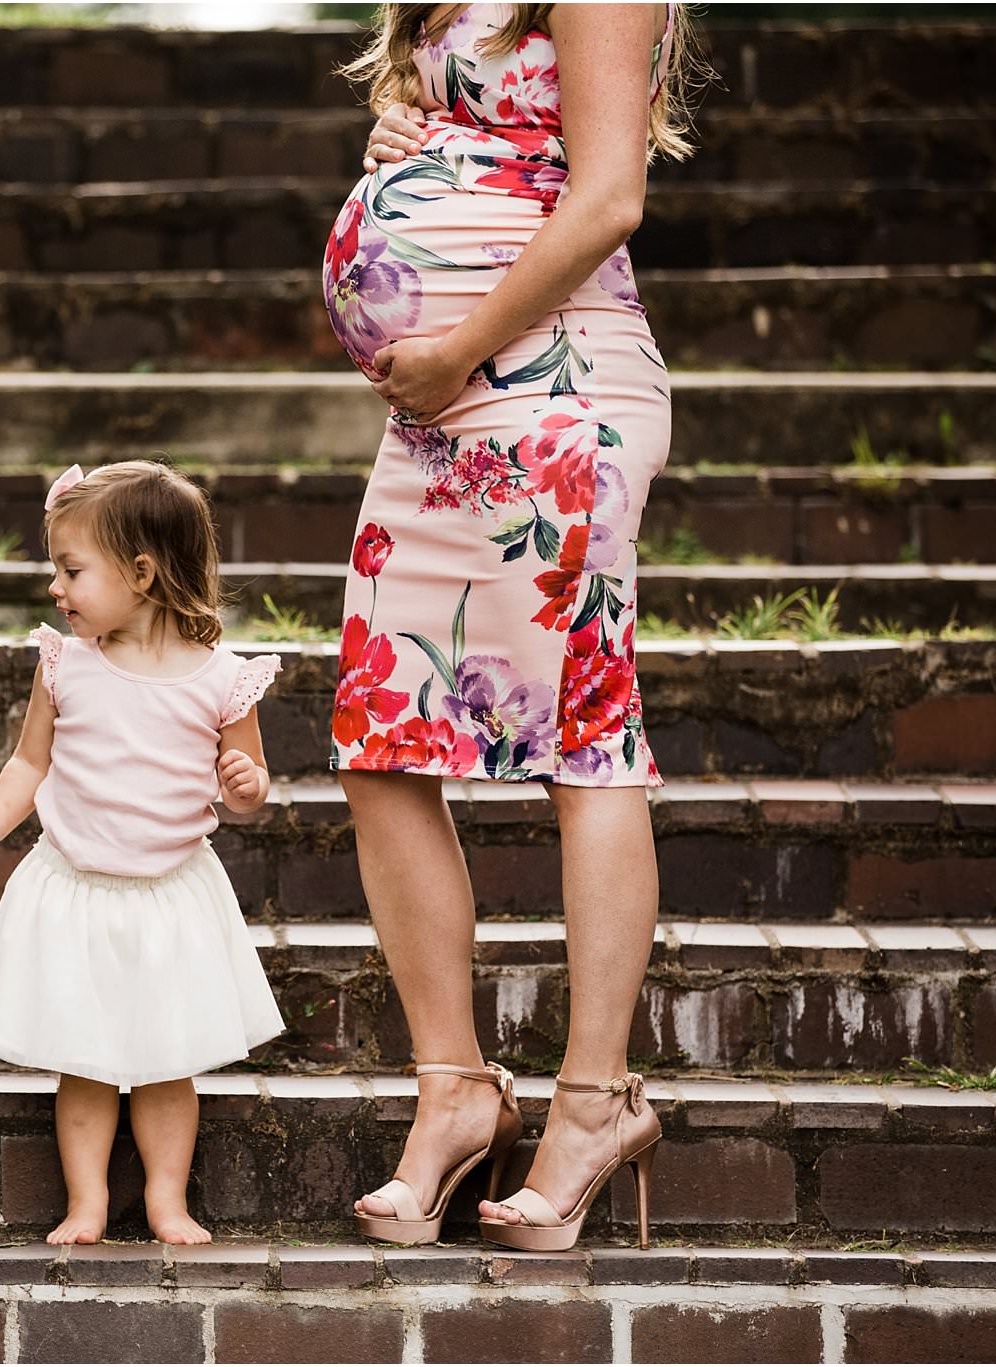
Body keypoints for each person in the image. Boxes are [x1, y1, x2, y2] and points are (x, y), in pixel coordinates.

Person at [323, 2, 703, 1250]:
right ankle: (455, 1087)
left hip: (552, 382)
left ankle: (591, 1102)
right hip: (438, 413)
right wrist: (409, 133)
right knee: (379, 740)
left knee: (582, 745)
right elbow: (492, 127)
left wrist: (455, 347)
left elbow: (605, 199)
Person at [0, 460, 287, 1246]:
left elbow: (247, 782)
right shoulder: (66, 663)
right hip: (78, 891)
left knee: (169, 1061)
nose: (55, 588)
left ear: (141, 573)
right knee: (86, 1061)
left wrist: (245, 783)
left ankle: (168, 1199)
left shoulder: (219, 679)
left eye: (71, 570)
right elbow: (30, 762)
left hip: (170, 896)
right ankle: (89, 1202)